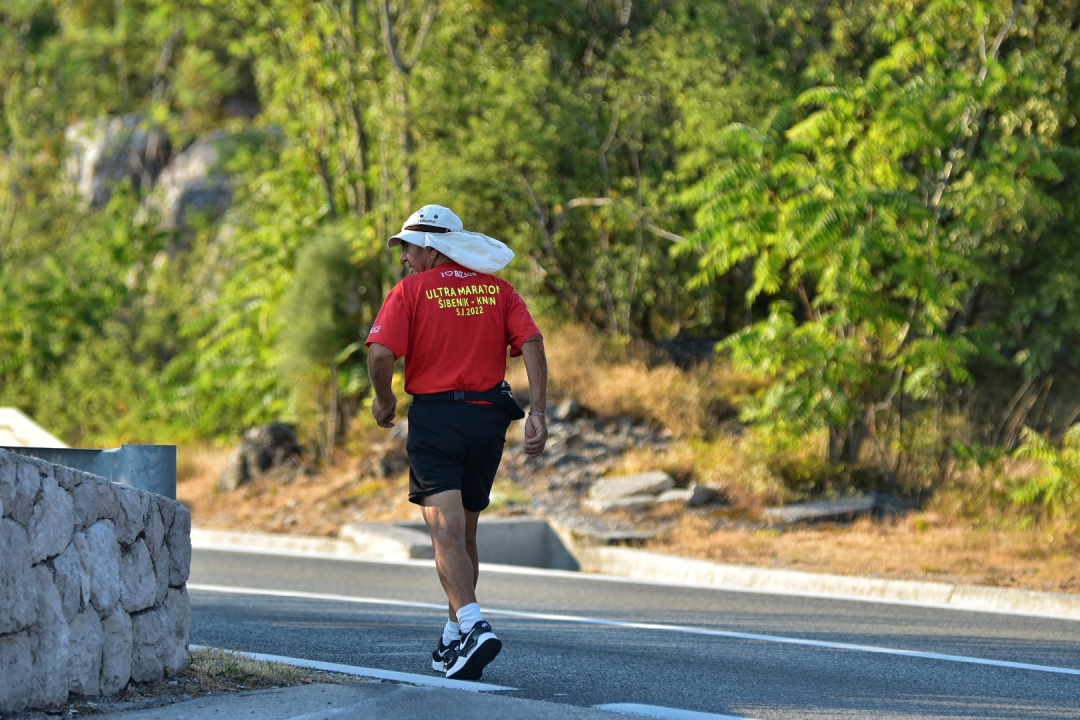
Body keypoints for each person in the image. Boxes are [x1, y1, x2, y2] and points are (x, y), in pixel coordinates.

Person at [366, 204, 549, 681]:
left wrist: (383, 400)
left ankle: (473, 623)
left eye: (407, 247)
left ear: (431, 247)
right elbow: (532, 343)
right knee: (464, 533)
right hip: (489, 421)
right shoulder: (499, 290)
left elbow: (382, 352)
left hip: (438, 418)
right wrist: (539, 412)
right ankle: (454, 638)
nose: (404, 258)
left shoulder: (410, 292)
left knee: (443, 529)